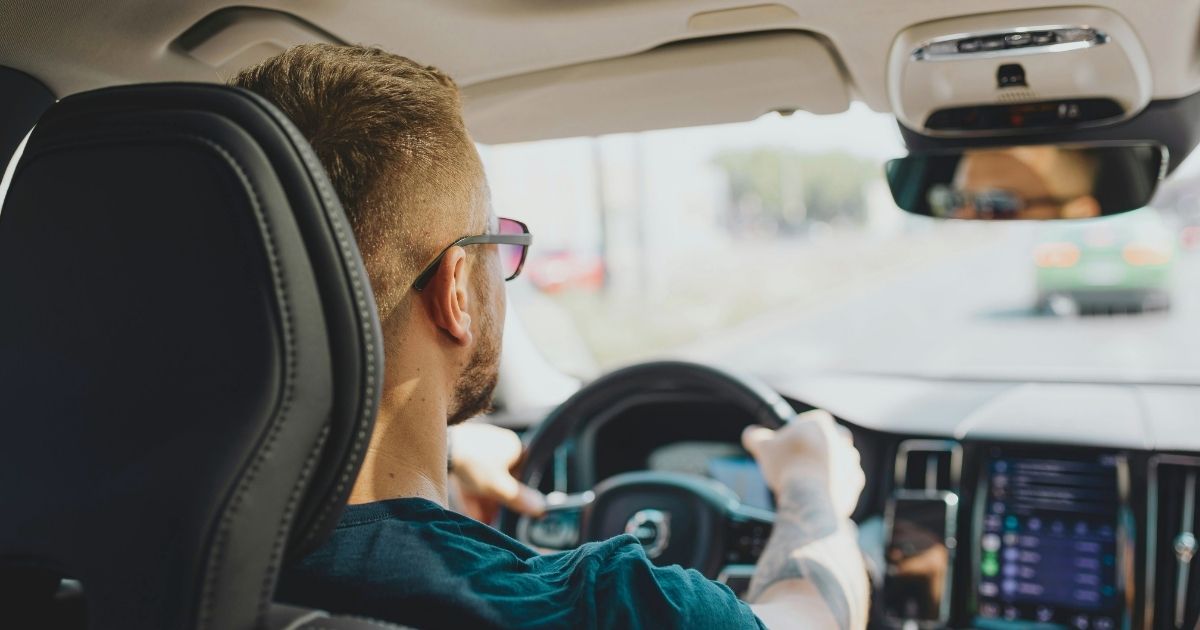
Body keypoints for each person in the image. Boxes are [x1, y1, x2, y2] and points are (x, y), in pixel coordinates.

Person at [232, 44, 868, 629]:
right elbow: (814, 612)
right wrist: (814, 490)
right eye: (498, 245)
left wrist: (440, 473)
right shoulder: (604, 606)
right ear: (455, 290)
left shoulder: (154, 549)